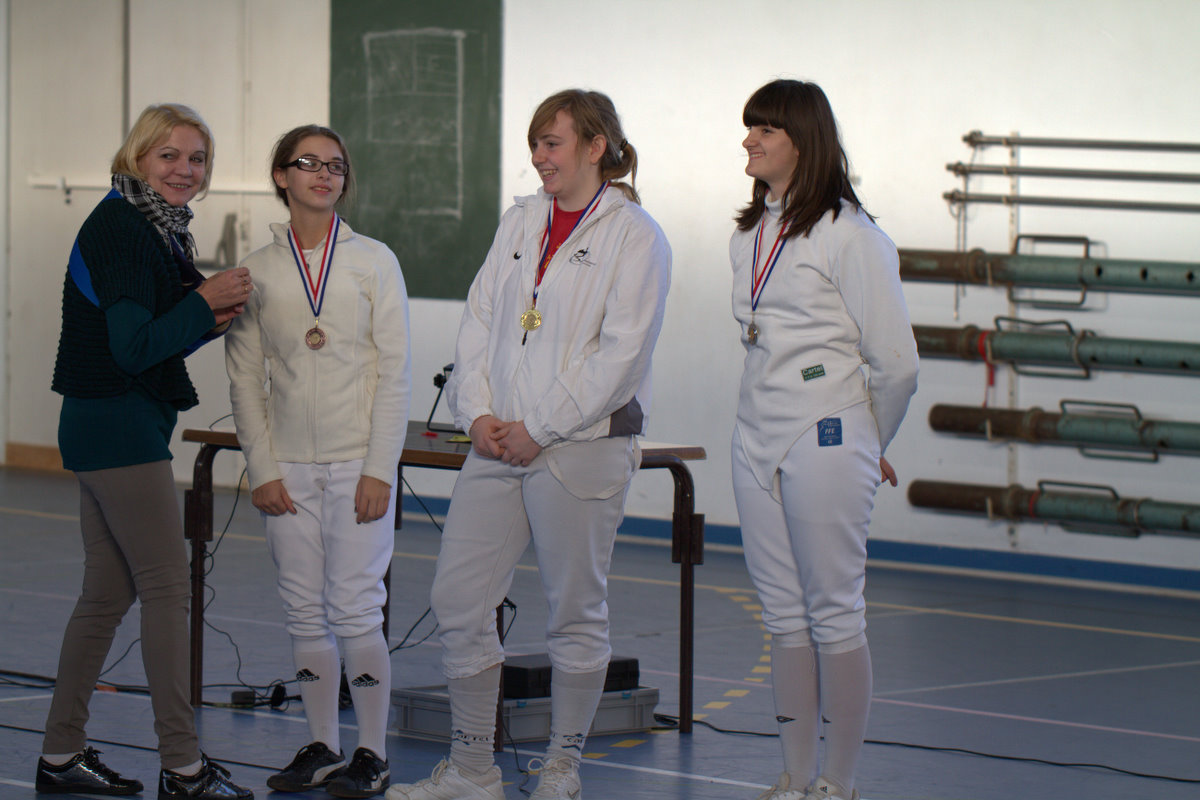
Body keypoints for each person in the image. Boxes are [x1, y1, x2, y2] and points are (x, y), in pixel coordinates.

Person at [387, 89, 671, 800]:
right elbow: (480, 320)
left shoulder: (635, 236)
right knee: (459, 600)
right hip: (498, 445)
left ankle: (562, 768)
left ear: (596, 146)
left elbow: (621, 357)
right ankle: (473, 770)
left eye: (553, 143)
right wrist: (478, 413)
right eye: (535, 144)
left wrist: (538, 428)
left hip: (580, 447)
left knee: (574, 610)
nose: (540, 157)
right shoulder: (521, 220)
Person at [38, 103, 254, 799]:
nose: (185, 170)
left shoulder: (149, 226)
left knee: (106, 595)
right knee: (166, 587)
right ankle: (183, 767)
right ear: (138, 157)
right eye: (169, 155)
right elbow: (132, 349)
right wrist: (204, 301)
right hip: (117, 426)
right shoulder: (124, 228)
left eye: (197, 159)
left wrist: (205, 319)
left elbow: (148, 336)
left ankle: (60, 755)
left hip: (106, 422)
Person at [729, 80, 919, 800]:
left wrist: (868, 441)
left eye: (765, 130)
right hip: (755, 436)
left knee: (834, 612)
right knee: (783, 616)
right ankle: (794, 777)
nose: (749, 140)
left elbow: (898, 365)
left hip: (828, 433)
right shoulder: (749, 234)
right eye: (749, 128)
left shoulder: (851, 235)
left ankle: (838, 783)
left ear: (803, 140)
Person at [225, 124, 411, 798]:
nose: (324, 174)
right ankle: (323, 746)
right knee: (304, 610)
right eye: (309, 163)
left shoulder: (374, 261)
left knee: (357, 608)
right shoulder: (258, 272)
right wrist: (263, 469)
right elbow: (245, 380)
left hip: (357, 465)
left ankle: (372, 752)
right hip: (289, 472)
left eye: (335, 165)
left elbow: (395, 373)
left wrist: (379, 468)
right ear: (282, 176)